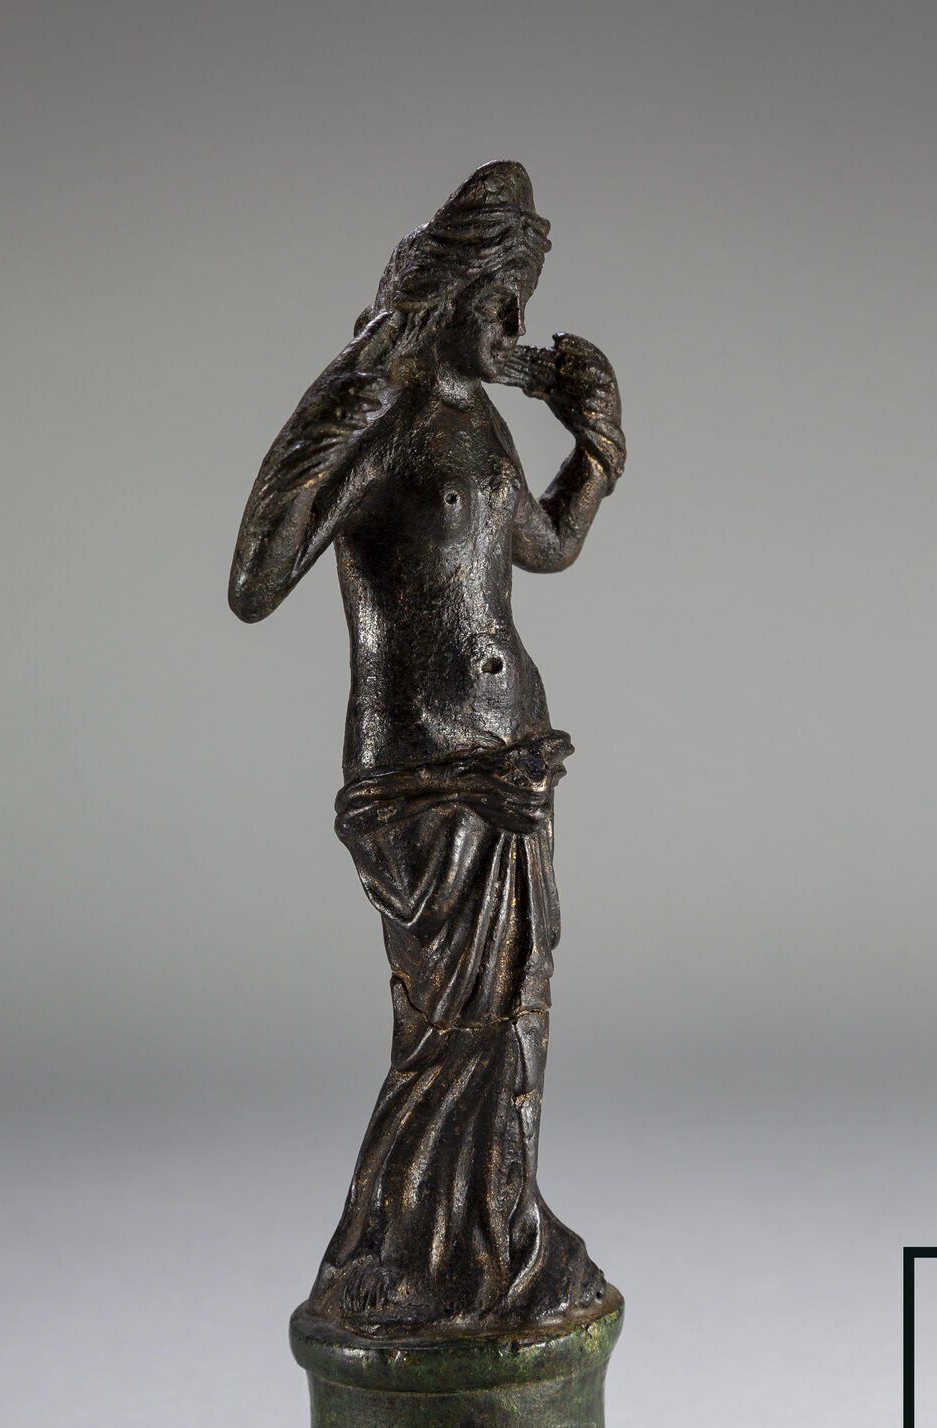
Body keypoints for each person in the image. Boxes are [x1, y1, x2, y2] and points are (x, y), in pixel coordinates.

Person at [230, 161, 626, 1332]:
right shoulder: (380, 403)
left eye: (524, 303)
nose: (517, 328)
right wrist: (345, 399)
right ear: (450, 294)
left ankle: (486, 1241)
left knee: (510, 1021)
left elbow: (539, 546)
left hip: (510, 764)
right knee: (451, 1030)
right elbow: (257, 580)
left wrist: (596, 454)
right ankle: (398, 1260)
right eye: (503, 301)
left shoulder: (477, 416)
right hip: (424, 773)